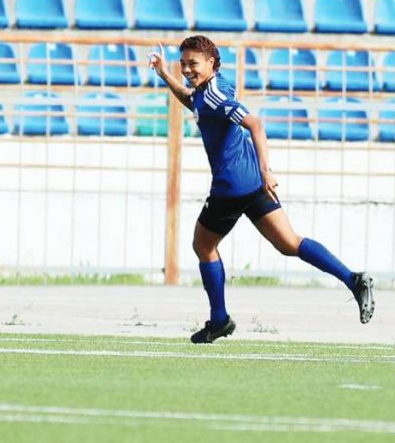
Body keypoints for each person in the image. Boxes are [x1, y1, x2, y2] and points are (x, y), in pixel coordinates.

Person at [148, 35, 375, 344]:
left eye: (193, 64)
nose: (187, 69)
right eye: (183, 63)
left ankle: (219, 320)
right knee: (289, 243)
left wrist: (268, 170)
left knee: (203, 246)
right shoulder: (209, 90)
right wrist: (164, 73)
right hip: (252, 181)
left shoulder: (214, 94)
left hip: (232, 186)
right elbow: (192, 101)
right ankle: (353, 279)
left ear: (211, 63)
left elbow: (255, 123)